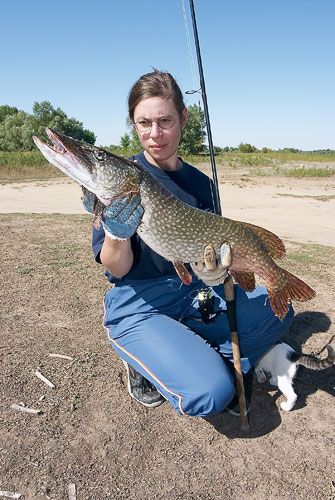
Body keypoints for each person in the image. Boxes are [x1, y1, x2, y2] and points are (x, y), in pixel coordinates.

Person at [85, 69, 294, 417]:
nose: (155, 134)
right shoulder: (120, 178)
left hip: (194, 292)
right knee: (212, 393)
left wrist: (218, 272)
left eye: (165, 120)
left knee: (281, 315)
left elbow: (218, 252)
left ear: (183, 118)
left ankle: (185, 349)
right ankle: (145, 361)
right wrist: (116, 231)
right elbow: (116, 266)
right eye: (144, 123)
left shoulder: (200, 183)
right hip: (139, 300)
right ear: (133, 124)